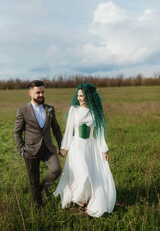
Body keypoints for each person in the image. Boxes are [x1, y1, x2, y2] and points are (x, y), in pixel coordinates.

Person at [54, 83, 116, 217]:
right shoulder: (74, 110)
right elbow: (69, 130)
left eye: (82, 95)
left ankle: (86, 199)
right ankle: (80, 200)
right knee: (84, 173)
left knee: (92, 174)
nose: (79, 98)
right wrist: (64, 147)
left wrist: (103, 150)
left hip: (91, 146)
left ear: (89, 96)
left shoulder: (96, 111)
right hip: (77, 146)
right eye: (78, 95)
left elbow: (99, 133)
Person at [14, 80, 62, 208]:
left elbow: (56, 128)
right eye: (38, 92)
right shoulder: (22, 111)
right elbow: (17, 132)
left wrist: (61, 146)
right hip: (30, 150)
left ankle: (44, 187)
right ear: (30, 93)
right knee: (33, 180)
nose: (41, 94)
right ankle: (38, 206)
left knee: (57, 170)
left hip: (47, 148)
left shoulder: (49, 109)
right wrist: (22, 150)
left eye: (43, 92)